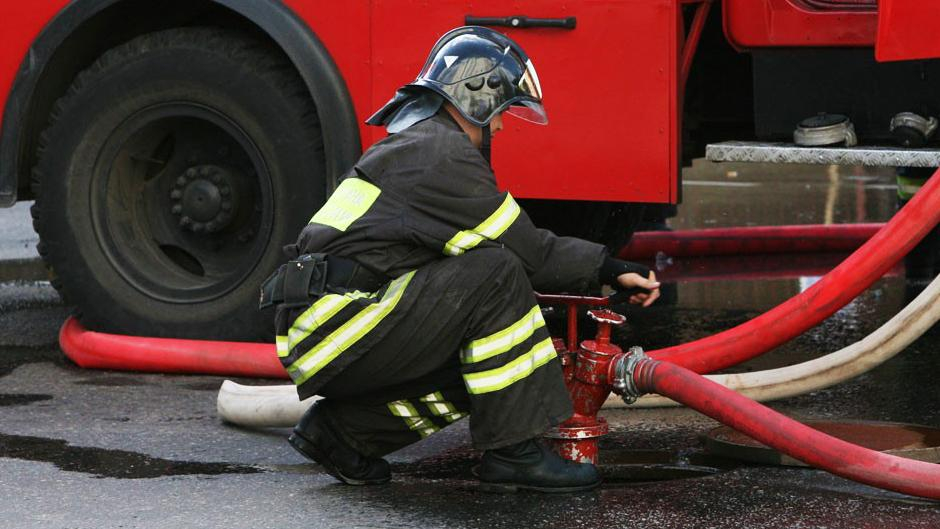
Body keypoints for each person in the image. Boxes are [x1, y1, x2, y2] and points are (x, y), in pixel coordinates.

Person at [261, 26, 660, 493]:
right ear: (477, 95)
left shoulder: (419, 146)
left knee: (485, 361)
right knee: (496, 272)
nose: (502, 126)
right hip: (338, 323)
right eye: (503, 112)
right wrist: (611, 269)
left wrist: (604, 271)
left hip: (331, 324)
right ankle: (513, 453)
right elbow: (528, 253)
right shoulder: (440, 153)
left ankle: (342, 435)